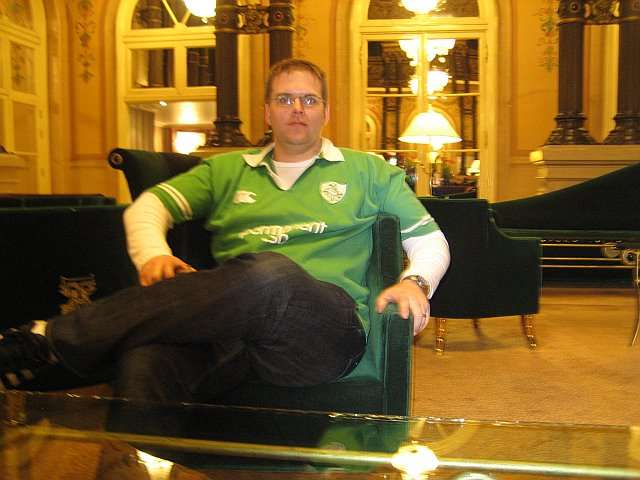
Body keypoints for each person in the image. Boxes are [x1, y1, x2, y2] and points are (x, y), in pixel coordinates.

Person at [0, 58, 450, 403]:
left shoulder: (368, 171)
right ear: (267, 112)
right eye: (285, 99)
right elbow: (149, 206)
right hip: (227, 333)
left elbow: (431, 241)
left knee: (272, 274)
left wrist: (416, 281)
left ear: (326, 112)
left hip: (323, 334)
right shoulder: (225, 171)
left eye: (309, 100)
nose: (297, 109)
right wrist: (153, 254)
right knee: (145, 363)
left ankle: (50, 340)